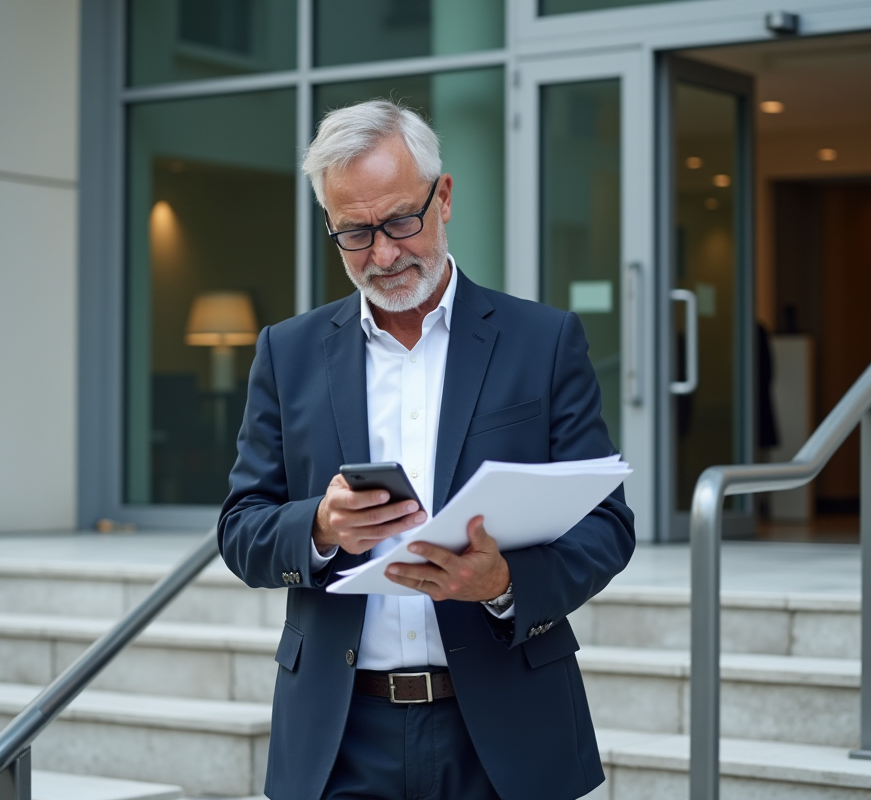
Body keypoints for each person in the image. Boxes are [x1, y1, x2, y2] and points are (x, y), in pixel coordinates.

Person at [217, 99, 635, 800]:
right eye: (355, 233)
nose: (383, 255)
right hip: (340, 739)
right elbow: (240, 530)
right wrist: (319, 529)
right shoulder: (286, 354)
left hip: (507, 731)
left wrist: (503, 585)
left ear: (443, 197)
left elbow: (607, 528)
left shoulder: (544, 341)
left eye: (400, 222)